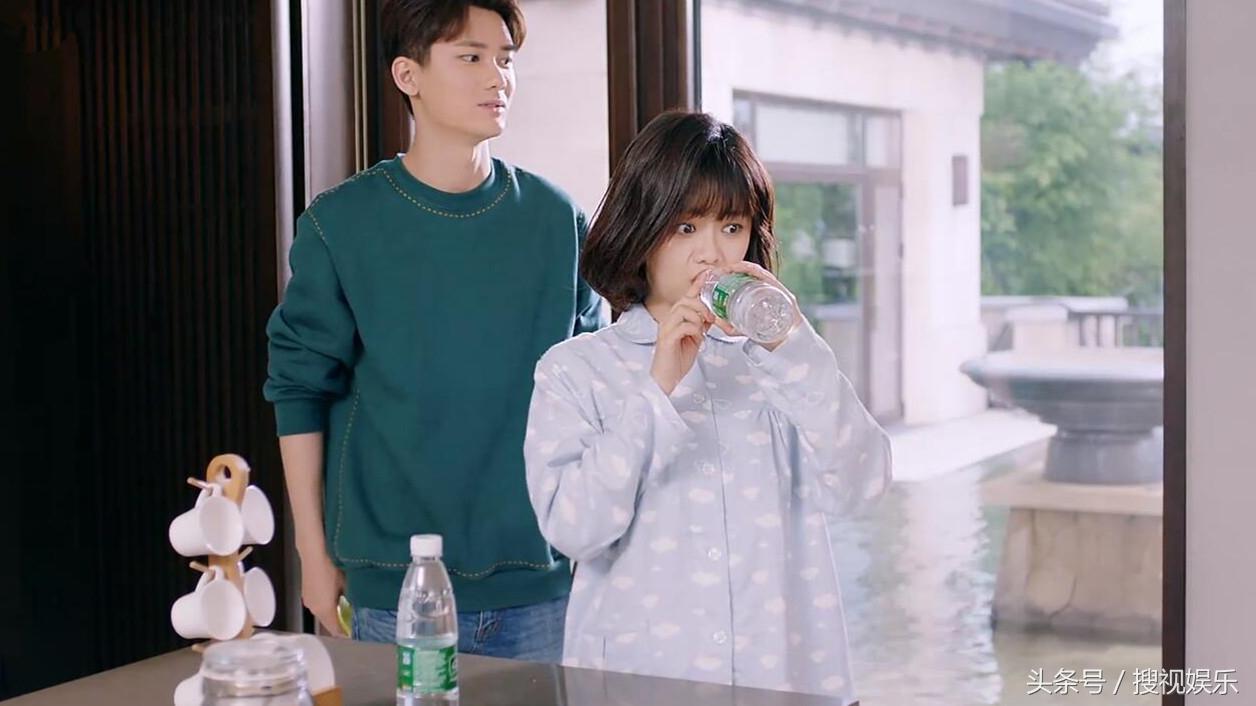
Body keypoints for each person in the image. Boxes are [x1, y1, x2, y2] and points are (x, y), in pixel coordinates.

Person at [264, 0, 604, 661]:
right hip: (395, 588)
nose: (497, 78)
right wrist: (313, 553)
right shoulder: (341, 224)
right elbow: (298, 392)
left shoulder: (557, 221)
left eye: (505, 60)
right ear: (408, 75)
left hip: (544, 584)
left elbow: (594, 401)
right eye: (471, 57)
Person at [523, 111, 891, 702]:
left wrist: (794, 344)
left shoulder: (781, 364)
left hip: (783, 678)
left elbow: (863, 484)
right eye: (686, 227)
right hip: (642, 683)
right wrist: (657, 390)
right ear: (641, 228)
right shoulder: (576, 370)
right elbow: (573, 531)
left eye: (732, 226)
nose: (712, 255)